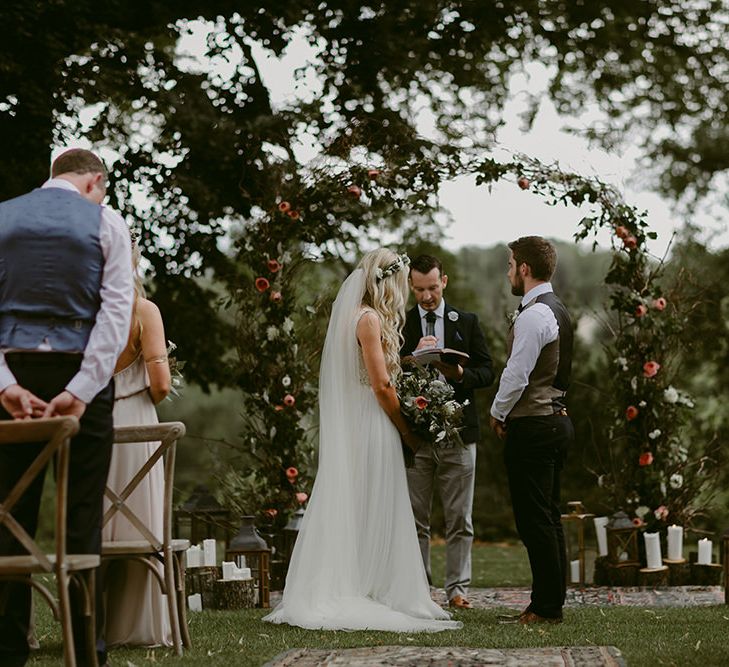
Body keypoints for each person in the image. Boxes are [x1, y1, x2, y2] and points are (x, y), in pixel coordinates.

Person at [263, 249, 461, 632]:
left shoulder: (357, 317)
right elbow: (381, 384)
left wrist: (411, 362)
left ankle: (365, 583)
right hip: (372, 421)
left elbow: (379, 372)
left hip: (358, 419)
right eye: (402, 284)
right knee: (376, 501)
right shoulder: (368, 319)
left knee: (360, 502)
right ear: (388, 283)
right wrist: (407, 431)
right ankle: (368, 589)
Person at [0, 148, 134, 666]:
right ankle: (85, 650)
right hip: (81, 373)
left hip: (13, 376)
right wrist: (80, 391)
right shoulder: (107, 220)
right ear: (95, 181)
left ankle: (8, 647)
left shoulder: (4, 216)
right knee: (81, 515)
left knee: (8, 515)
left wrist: (6, 385)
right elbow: (115, 310)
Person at [401, 254, 494, 610]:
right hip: (416, 436)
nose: (426, 296)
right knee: (414, 520)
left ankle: (457, 590)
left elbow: (487, 371)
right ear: (411, 285)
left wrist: (459, 376)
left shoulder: (466, 322)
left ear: (445, 281)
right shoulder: (401, 323)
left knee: (459, 519)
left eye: (433, 287)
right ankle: (418, 588)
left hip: (458, 435)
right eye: (420, 289)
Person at [489, 236, 574, 625]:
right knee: (549, 516)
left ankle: (546, 607)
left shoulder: (534, 315)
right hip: (556, 420)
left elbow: (517, 374)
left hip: (536, 426)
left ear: (524, 268)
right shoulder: (559, 310)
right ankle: (549, 602)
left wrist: (498, 412)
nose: (508, 272)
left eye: (510, 265)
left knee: (534, 519)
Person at [102, 238, 172, 647]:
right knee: (139, 525)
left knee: (104, 522)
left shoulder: (83, 312)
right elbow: (160, 386)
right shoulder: (143, 311)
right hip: (137, 425)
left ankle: (96, 624)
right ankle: (139, 626)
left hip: (95, 425)